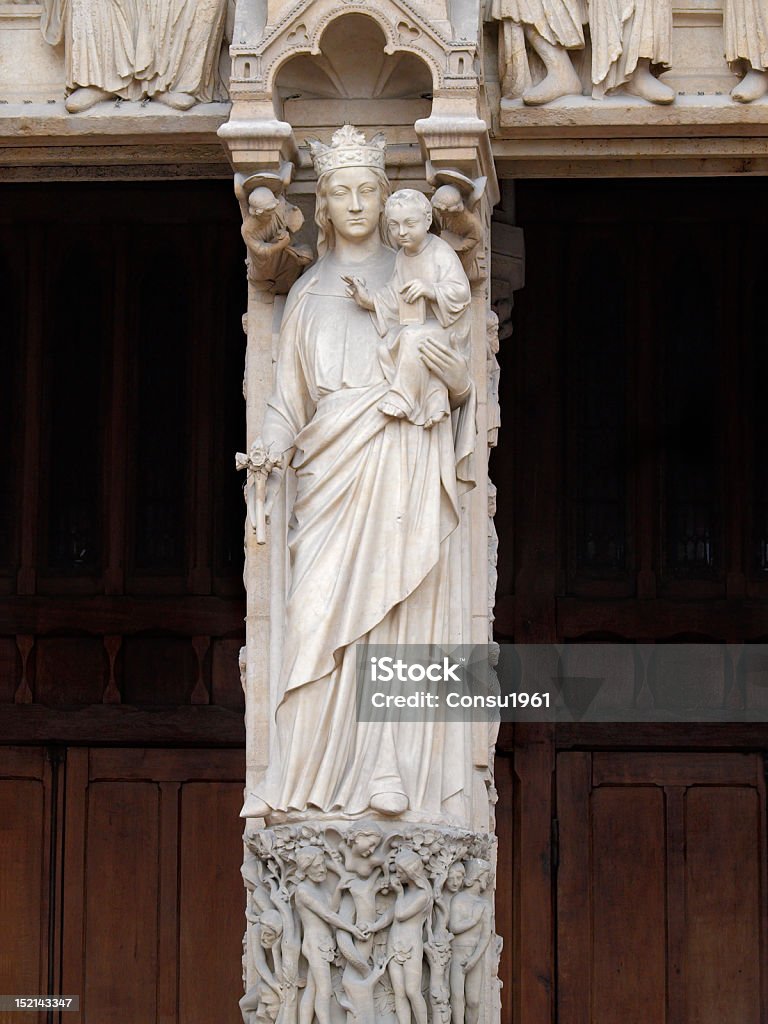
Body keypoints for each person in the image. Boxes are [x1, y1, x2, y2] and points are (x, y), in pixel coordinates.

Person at [240, 126, 476, 824]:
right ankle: (298, 776)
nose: (355, 203)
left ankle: (388, 769)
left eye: (368, 189)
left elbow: (459, 373)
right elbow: (286, 401)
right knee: (312, 621)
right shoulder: (308, 293)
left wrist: (427, 363)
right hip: (326, 473)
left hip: (400, 455)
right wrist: (271, 447)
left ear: (387, 197)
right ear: (322, 204)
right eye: (340, 191)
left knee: (396, 614)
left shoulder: (421, 269)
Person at [345, 188, 471, 430]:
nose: (401, 232)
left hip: (447, 331)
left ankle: (403, 397)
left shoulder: (440, 251)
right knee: (386, 346)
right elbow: (395, 295)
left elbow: (461, 292)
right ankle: (434, 402)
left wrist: (430, 289)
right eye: (393, 226)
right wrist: (368, 300)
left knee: (412, 338)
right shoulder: (402, 257)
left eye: (409, 224)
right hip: (419, 325)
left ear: (427, 220)